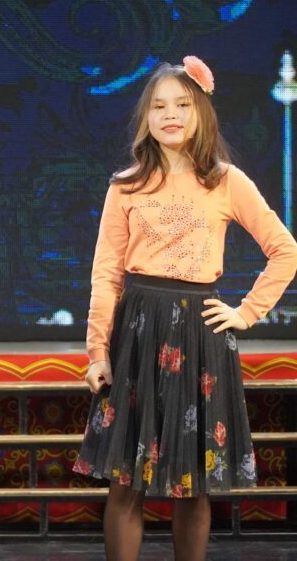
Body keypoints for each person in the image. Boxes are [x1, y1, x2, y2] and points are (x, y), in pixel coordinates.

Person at [73, 56, 297, 561]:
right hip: (137, 332)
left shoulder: (226, 180)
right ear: (146, 118)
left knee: (193, 483)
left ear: (201, 114)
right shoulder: (125, 184)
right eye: (159, 106)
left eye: (181, 105)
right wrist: (97, 352)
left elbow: (285, 250)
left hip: (199, 335)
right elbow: (106, 275)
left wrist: (247, 312)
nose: (170, 115)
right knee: (125, 480)